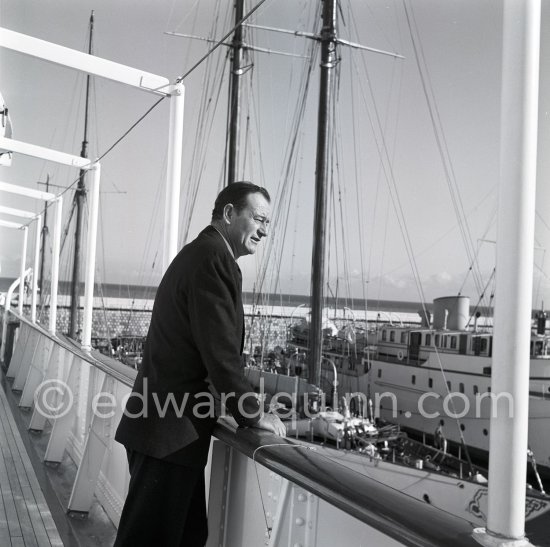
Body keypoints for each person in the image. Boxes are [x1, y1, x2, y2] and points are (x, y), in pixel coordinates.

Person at [113, 182, 286, 547]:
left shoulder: (202, 254)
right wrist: (253, 415)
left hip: (168, 431)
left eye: (268, 222)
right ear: (228, 214)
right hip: (169, 433)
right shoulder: (212, 260)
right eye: (258, 218)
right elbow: (221, 354)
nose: (264, 230)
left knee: (189, 537)